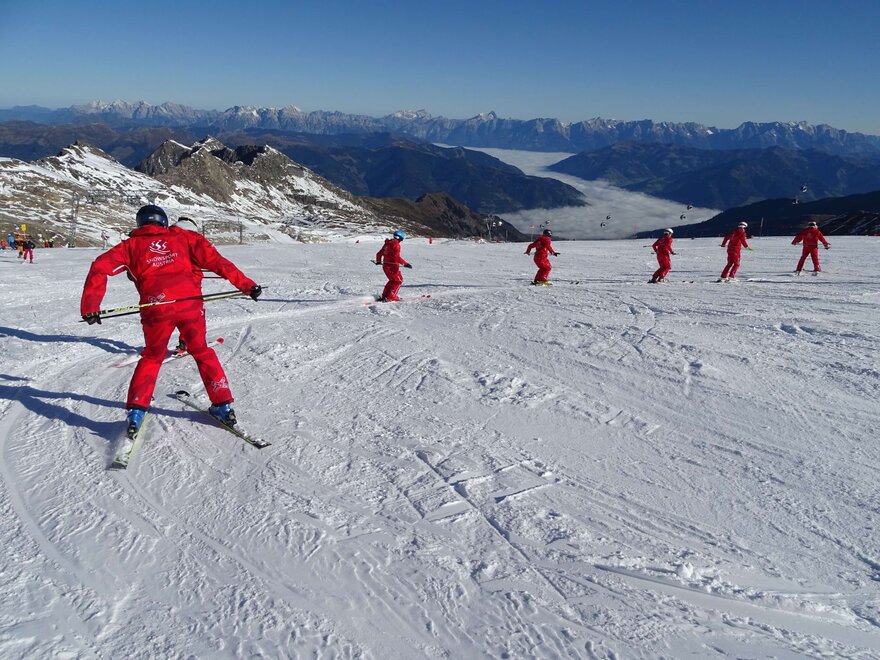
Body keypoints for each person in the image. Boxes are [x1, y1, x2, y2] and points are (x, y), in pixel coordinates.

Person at [80, 205, 262, 436]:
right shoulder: (185, 237)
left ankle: (136, 411)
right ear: (164, 222)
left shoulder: (129, 246)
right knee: (202, 352)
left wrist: (90, 307)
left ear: (140, 224)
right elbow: (218, 262)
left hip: (155, 309)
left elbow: (99, 267)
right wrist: (247, 286)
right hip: (190, 307)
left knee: (152, 358)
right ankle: (224, 406)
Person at [170, 217, 203, 353]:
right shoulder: (194, 238)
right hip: (192, 285)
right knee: (193, 317)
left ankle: (157, 347)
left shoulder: (169, 238)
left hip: (171, 284)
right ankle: (189, 342)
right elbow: (206, 258)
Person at [375, 230, 411, 302]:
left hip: (386, 266)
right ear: (400, 238)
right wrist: (405, 263)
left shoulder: (387, 243)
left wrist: (378, 261)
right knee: (398, 281)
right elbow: (396, 257)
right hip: (392, 267)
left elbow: (379, 254)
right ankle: (391, 296)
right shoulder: (396, 245)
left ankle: (385, 295)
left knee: (392, 280)